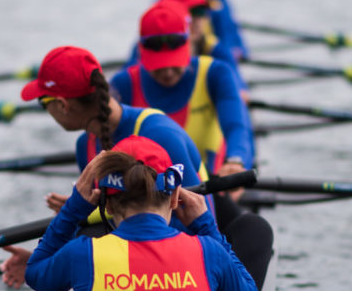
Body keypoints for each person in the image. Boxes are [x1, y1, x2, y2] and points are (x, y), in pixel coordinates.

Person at [6, 134, 259, 291]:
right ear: (174, 198)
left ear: (106, 205)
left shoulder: (83, 253)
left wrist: (74, 209)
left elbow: (35, 272)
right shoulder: (208, 250)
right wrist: (207, 226)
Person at [14, 44, 208, 220]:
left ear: (63, 105)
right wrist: (82, 212)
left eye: (43, 103)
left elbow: (201, 219)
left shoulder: (159, 134)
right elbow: (114, 215)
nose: (46, 110)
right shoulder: (85, 146)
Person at [111, 0, 254, 183]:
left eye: (174, 63)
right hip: (144, 190)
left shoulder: (216, 73)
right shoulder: (123, 84)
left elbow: (236, 126)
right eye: (159, 65)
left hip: (208, 183)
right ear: (141, 50)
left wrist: (236, 160)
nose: (168, 72)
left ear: (190, 42)